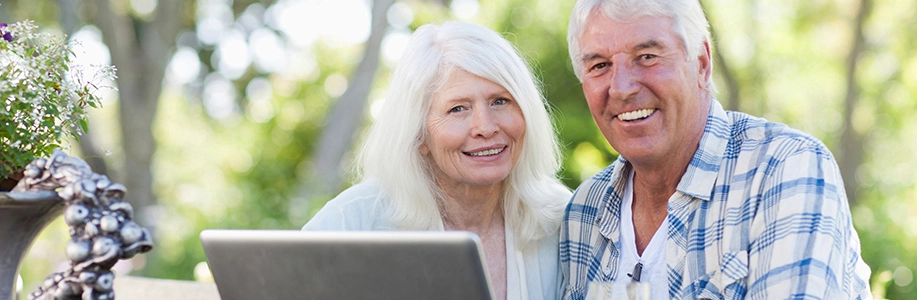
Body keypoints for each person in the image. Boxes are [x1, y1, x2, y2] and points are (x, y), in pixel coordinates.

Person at [560, 0, 872, 299]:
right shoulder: (585, 210)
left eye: (647, 56)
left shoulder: (785, 170)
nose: (622, 88)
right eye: (600, 65)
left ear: (702, 63)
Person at [303, 21, 571, 300]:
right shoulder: (351, 223)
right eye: (458, 109)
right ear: (418, 135)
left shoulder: (562, 220)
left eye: (499, 101)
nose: (485, 127)